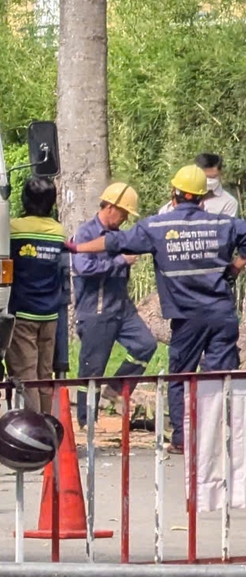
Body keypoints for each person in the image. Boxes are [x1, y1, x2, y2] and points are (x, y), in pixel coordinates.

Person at [69, 164, 246, 451]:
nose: (125, 217)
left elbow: (115, 242)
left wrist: (76, 248)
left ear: (174, 194)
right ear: (203, 198)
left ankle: (181, 440)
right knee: (221, 376)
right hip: (220, 314)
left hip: (185, 317)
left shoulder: (158, 227)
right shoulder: (221, 223)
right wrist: (236, 266)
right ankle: (226, 438)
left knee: (178, 375)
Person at [71, 182, 157, 422]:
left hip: (122, 307)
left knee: (145, 344)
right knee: (91, 371)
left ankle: (116, 387)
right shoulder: (86, 233)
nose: (125, 219)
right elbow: (83, 267)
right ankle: (86, 423)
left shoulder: (120, 235)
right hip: (96, 310)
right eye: (123, 213)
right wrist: (120, 261)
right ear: (110, 207)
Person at [6, 175, 67, 414]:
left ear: (24, 200)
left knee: (26, 374)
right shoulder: (58, 232)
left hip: (23, 312)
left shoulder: (14, 229)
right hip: (50, 314)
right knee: (44, 374)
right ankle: (46, 421)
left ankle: (33, 427)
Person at [196, 153, 237, 218]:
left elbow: (226, 227)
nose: (209, 181)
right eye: (205, 177)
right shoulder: (182, 196)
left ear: (221, 174)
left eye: (213, 177)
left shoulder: (229, 202)